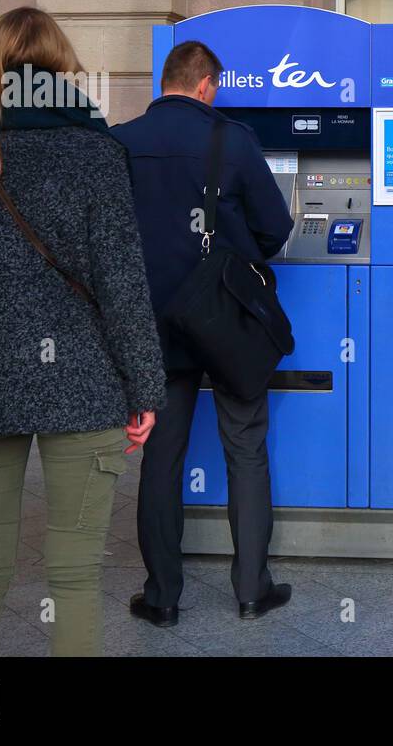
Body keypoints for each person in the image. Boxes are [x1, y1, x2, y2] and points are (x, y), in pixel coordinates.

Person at [0, 7, 166, 656]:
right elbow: (123, 287)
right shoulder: (97, 154)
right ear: (61, 70)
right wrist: (145, 389)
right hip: (83, 382)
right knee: (73, 577)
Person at [113, 41, 294, 626]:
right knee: (245, 446)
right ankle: (250, 588)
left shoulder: (120, 142)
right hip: (226, 321)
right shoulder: (232, 139)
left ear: (165, 81)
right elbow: (275, 228)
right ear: (207, 85)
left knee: (161, 458)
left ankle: (163, 596)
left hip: (151, 326)